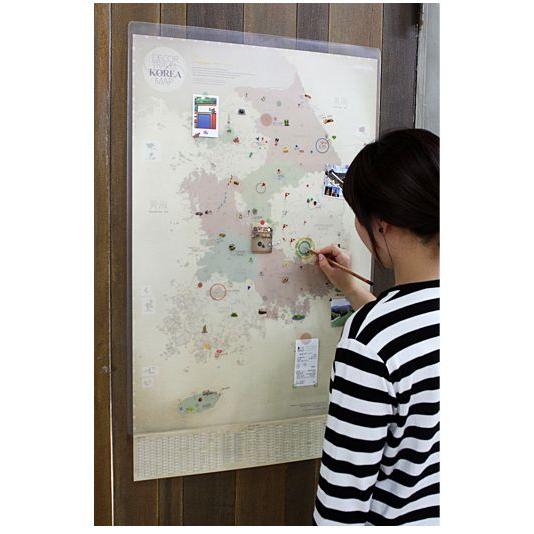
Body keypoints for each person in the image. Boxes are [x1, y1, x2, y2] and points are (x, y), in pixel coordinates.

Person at [312, 128, 439, 526]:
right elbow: (416, 342)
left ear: (381, 225)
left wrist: (368, 318)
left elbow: (340, 507)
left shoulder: (370, 339)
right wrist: (352, 289)